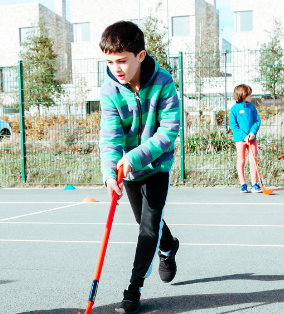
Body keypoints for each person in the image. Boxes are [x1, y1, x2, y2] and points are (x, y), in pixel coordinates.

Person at [97, 21, 181, 314]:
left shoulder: (163, 83)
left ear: (141, 55)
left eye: (122, 60)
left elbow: (168, 130)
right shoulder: (109, 91)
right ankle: (169, 245)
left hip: (156, 166)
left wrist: (136, 156)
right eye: (109, 62)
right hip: (127, 170)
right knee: (144, 222)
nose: (116, 67)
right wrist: (110, 173)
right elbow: (109, 137)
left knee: (148, 228)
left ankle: (133, 290)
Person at [228, 84, 262, 193]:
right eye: (249, 94)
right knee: (241, 160)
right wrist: (244, 136)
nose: (251, 96)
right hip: (240, 139)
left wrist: (252, 133)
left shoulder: (252, 107)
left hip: (252, 139)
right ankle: (243, 184)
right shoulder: (234, 109)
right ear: (243, 95)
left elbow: (257, 121)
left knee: (253, 161)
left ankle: (254, 184)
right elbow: (233, 125)